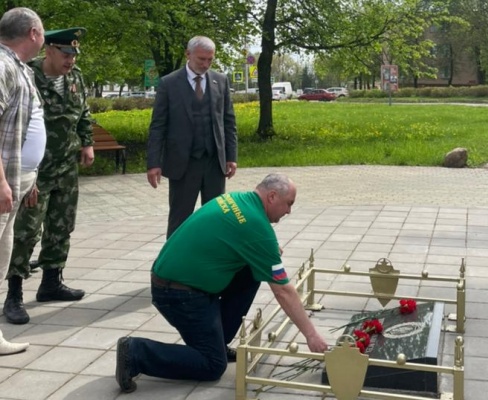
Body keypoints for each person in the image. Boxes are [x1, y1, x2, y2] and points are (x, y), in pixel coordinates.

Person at [115, 173, 328, 393]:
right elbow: (283, 290)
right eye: (289, 203)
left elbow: (240, 238)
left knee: (253, 270)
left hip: (178, 280)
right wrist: (311, 335)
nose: (289, 211)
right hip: (178, 294)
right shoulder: (256, 225)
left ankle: (217, 341)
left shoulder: (238, 200)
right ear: (272, 196)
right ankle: (136, 352)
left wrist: (264, 252)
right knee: (213, 365)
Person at [2, 27, 94, 325]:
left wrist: (87, 143)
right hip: (36, 170)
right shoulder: (27, 75)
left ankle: (52, 282)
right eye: (66, 54)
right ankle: (13, 294)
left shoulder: (76, 77)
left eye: (74, 54)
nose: (71, 60)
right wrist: (27, 175)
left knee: (61, 225)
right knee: (26, 231)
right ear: (49, 50)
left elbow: (83, 112)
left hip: (66, 166)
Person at [146, 35, 238, 238]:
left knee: (216, 217)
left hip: (214, 163)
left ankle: (212, 255)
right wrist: (153, 163)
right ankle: (175, 257)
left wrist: (231, 156)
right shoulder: (169, 83)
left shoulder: (220, 81)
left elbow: (228, 122)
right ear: (188, 54)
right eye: (201, 59)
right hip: (183, 164)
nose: (205, 64)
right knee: (180, 220)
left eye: (210, 60)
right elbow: (158, 126)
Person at [0, 7, 46, 353]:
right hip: (3, 183)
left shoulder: (20, 68)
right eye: (43, 32)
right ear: (32, 33)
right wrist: (1, 182)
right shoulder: (2, 66)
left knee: (1, 257)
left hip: (17, 181)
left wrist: (29, 179)